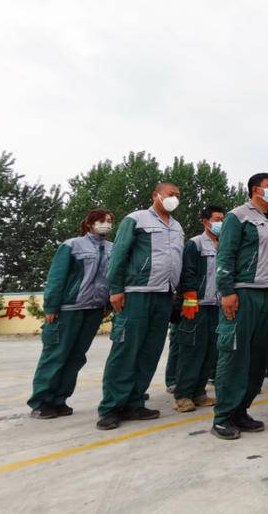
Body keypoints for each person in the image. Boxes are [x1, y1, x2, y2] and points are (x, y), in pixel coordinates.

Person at [97, 183, 184, 431]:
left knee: (149, 351)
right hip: (136, 293)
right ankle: (112, 407)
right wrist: (115, 289)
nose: (174, 198)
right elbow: (120, 255)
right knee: (126, 350)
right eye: (170, 194)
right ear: (156, 195)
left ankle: (135, 402)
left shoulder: (177, 227)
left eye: (177, 196)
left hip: (164, 296)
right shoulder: (136, 219)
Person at [210, 173, 268, 440]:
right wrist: (227, 291)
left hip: (267, 295)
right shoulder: (238, 216)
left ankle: (241, 410)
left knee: (258, 357)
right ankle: (223, 417)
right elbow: (226, 253)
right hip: (242, 293)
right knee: (234, 355)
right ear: (256, 190)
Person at [29, 210, 114, 418]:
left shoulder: (112, 248)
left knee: (76, 357)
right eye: (102, 221)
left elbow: (111, 278)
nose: (107, 224)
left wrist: (107, 304)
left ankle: (60, 399)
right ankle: (41, 402)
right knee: (56, 355)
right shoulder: (72, 245)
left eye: (110, 221)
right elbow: (57, 277)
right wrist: (51, 306)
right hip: (69, 309)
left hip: (94, 310)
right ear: (91, 224)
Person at [172, 205, 225, 412]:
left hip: (217, 306)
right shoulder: (196, 244)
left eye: (223, 218)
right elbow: (188, 272)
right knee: (192, 350)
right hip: (197, 306)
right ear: (206, 222)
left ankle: (199, 392)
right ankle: (183, 395)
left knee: (210, 351)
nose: (221, 222)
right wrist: (190, 295)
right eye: (217, 218)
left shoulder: (224, 245)